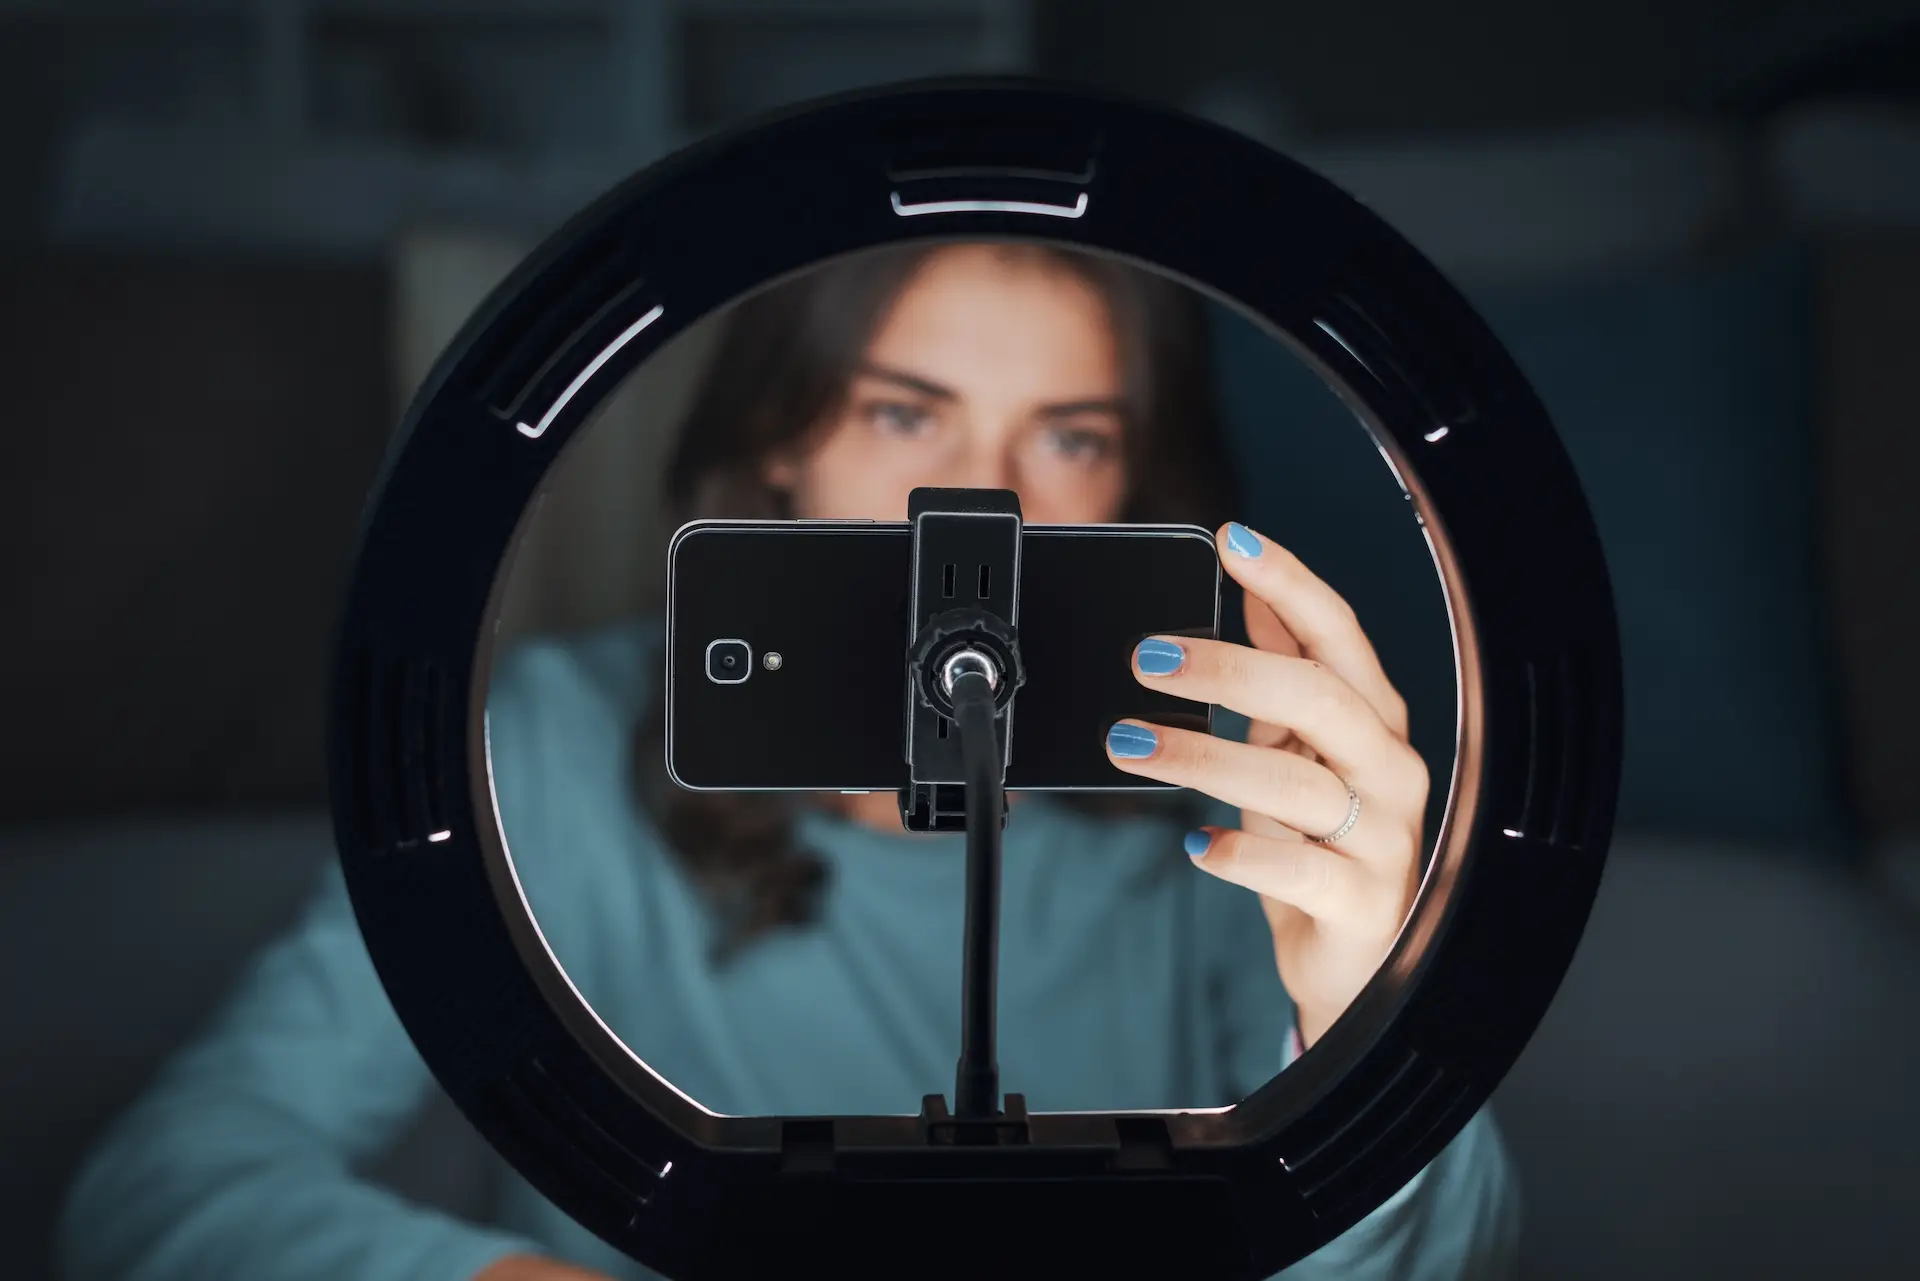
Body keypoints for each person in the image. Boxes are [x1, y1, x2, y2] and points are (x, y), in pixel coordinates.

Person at [58, 241, 1518, 1281]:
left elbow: (1445, 1265)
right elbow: (160, 1188)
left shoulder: (1228, 807)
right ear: (777, 447)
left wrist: (1371, 1031)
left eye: (1069, 436)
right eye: (903, 412)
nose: (979, 501)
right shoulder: (553, 748)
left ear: (1137, 485)